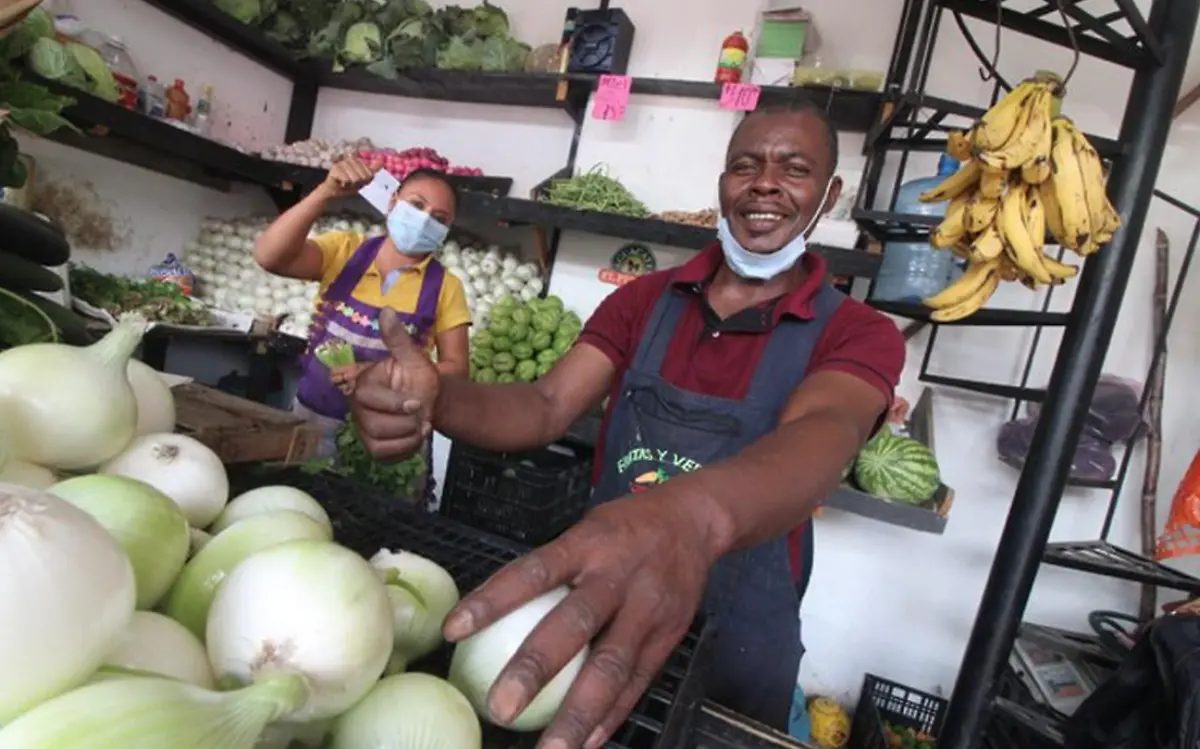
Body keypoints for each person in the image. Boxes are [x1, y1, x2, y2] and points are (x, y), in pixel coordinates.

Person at [352, 102, 906, 748]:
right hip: (605, 598)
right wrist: (434, 398)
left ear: (830, 194)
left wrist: (686, 521)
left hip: (740, 638)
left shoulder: (858, 332)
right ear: (722, 180)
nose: (764, 183)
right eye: (746, 166)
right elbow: (545, 404)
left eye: (795, 168)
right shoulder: (644, 300)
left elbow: (824, 435)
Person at [253, 158, 470, 493]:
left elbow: (457, 370)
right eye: (416, 205)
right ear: (392, 202)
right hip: (313, 418)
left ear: (446, 230)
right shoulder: (345, 251)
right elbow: (270, 256)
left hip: (390, 433)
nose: (425, 220)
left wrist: (376, 371)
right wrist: (324, 193)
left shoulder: (446, 287)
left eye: (438, 219)